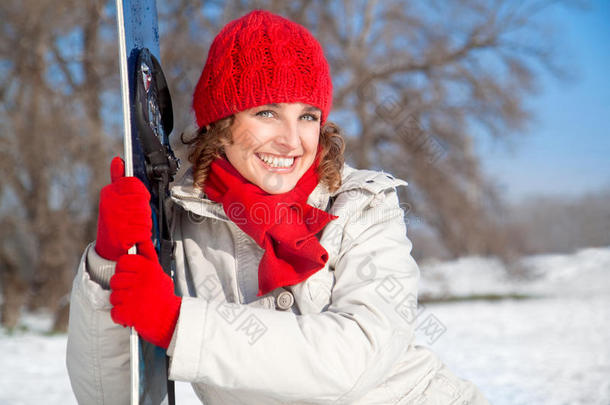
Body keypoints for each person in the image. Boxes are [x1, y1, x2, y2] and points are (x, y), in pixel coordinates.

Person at [66, 9, 489, 405]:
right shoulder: (179, 225)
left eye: (308, 116)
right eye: (267, 112)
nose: (292, 140)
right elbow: (110, 397)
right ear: (221, 125)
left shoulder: (363, 206)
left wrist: (179, 324)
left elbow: (355, 355)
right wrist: (108, 262)